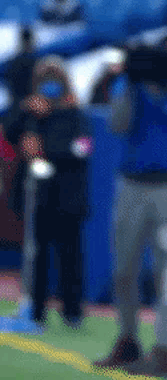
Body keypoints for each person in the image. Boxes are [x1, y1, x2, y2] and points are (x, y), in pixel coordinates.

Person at [92, 42, 167, 379]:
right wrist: (131, 82)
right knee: (124, 269)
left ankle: (162, 349)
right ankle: (128, 339)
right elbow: (117, 123)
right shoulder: (130, 87)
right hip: (133, 183)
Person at [3, 56, 92, 329]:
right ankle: (36, 310)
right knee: (36, 255)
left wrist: (45, 151)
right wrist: (24, 110)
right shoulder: (30, 111)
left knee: (69, 257)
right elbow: (9, 132)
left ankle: (72, 311)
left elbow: (82, 149)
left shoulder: (75, 112)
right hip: (37, 196)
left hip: (67, 197)